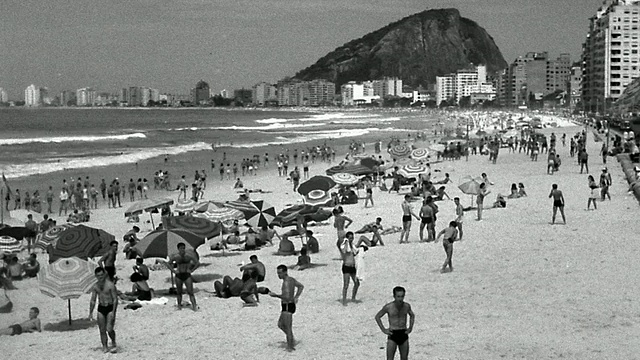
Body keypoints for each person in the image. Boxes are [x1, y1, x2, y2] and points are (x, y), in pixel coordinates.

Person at [269, 265, 304, 351]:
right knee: (280, 324)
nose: (278, 275)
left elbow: (287, 297)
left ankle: (290, 346)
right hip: (287, 305)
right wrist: (296, 297)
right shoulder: (291, 279)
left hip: (288, 305)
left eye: (280, 273)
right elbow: (300, 286)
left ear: (285, 272)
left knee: (288, 327)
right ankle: (291, 339)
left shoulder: (286, 283)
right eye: (278, 273)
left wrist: (276, 295)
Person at [374, 286, 415, 360]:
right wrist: (384, 330)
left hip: (403, 333)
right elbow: (378, 317)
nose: (400, 299)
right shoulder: (389, 307)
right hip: (393, 333)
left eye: (402, 296)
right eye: (398, 296)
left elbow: (412, 315)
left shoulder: (406, 306)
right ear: (394, 296)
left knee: (404, 358)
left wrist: (410, 328)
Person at [88, 267, 118, 353]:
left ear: (104, 274)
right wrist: (90, 313)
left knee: (109, 329)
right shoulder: (95, 286)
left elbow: (115, 299)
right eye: (98, 276)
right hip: (101, 308)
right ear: (96, 276)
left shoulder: (110, 285)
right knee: (102, 329)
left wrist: (113, 312)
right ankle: (104, 346)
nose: (100, 277)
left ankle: (113, 341)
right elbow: (93, 300)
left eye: (102, 275)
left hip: (109, 307)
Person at [167, 243, 199, 311]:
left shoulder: (188, 256)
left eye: (183, 248)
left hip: (187, 275)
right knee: (179, 292)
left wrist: (192, 270)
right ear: (178, 249)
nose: (183, 250)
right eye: (181, 248)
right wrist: (173, 271)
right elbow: (168, 263)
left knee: (190, 292)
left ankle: (194, 306)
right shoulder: (176, 256)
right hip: (179, 275)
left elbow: (197, 263)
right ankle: (179, 306)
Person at [338, 231, 361, 305]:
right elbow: (344, 251)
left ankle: (353, 297)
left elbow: (355, 253)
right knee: (346, 284)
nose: (352, 239)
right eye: (350, 238)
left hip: (352, 266)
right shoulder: (345, 245)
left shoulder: (352, 246)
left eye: (352, 238)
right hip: (346, 266)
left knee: (357, 283)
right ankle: (344, 300)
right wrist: (346, 242)